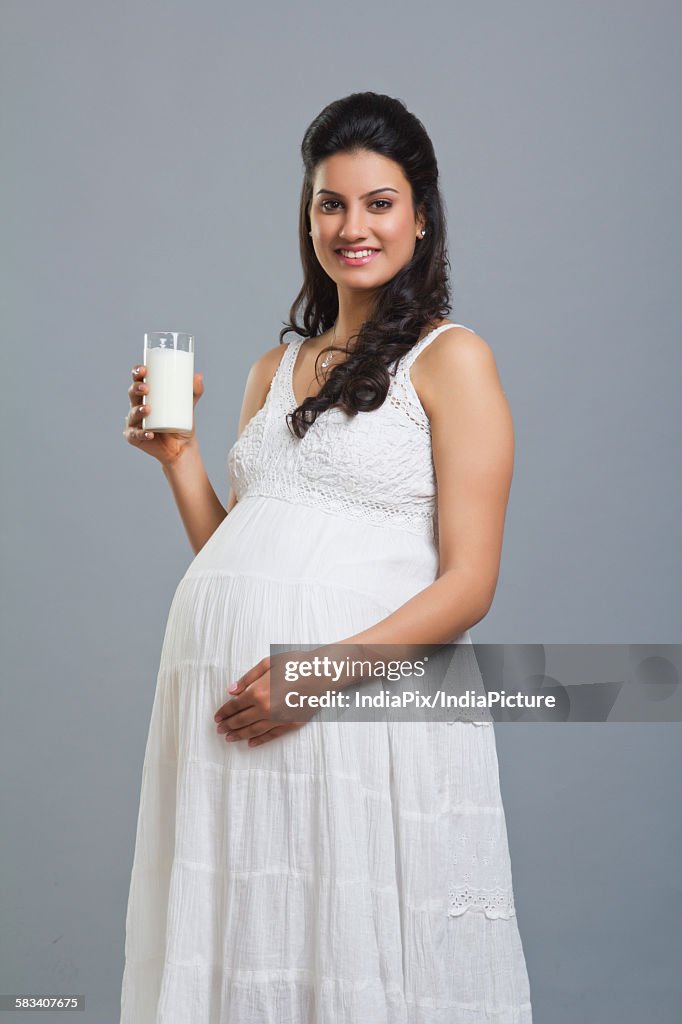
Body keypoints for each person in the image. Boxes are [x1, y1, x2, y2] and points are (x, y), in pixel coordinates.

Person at [120, 91, 533, 1023]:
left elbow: (470, 583)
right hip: (236, 705)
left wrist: (315, 677)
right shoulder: (276, 371)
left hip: (348, 710)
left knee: (349, 956)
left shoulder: (450, 359)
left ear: (422, 217)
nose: (353, 226)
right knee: (248, 942)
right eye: (330, 203)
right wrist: (180, 460)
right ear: (307, 216)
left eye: (379, 203)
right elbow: (242, 547)